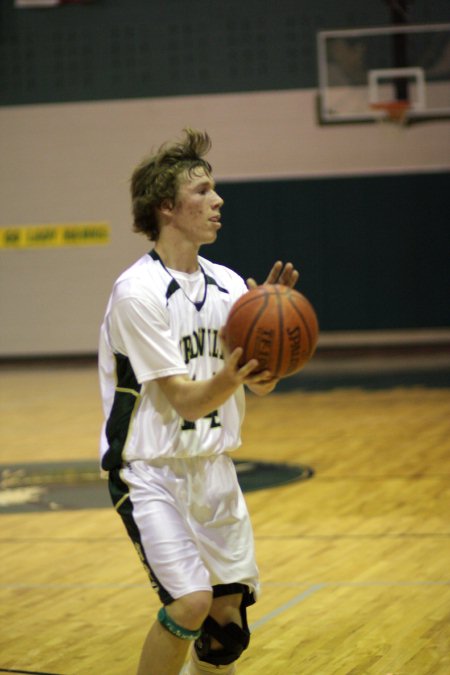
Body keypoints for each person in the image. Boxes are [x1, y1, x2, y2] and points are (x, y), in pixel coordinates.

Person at [98, 128, 299, 675]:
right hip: (150, 472)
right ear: (167, 207)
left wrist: (270, 350)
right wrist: (237, 371)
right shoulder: (137, 294)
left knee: (225, 632)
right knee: (189, 603)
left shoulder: (230, 285)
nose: (218, 201)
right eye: (204, 191)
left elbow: (260, 386)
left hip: (213, 468)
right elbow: (186, 402)